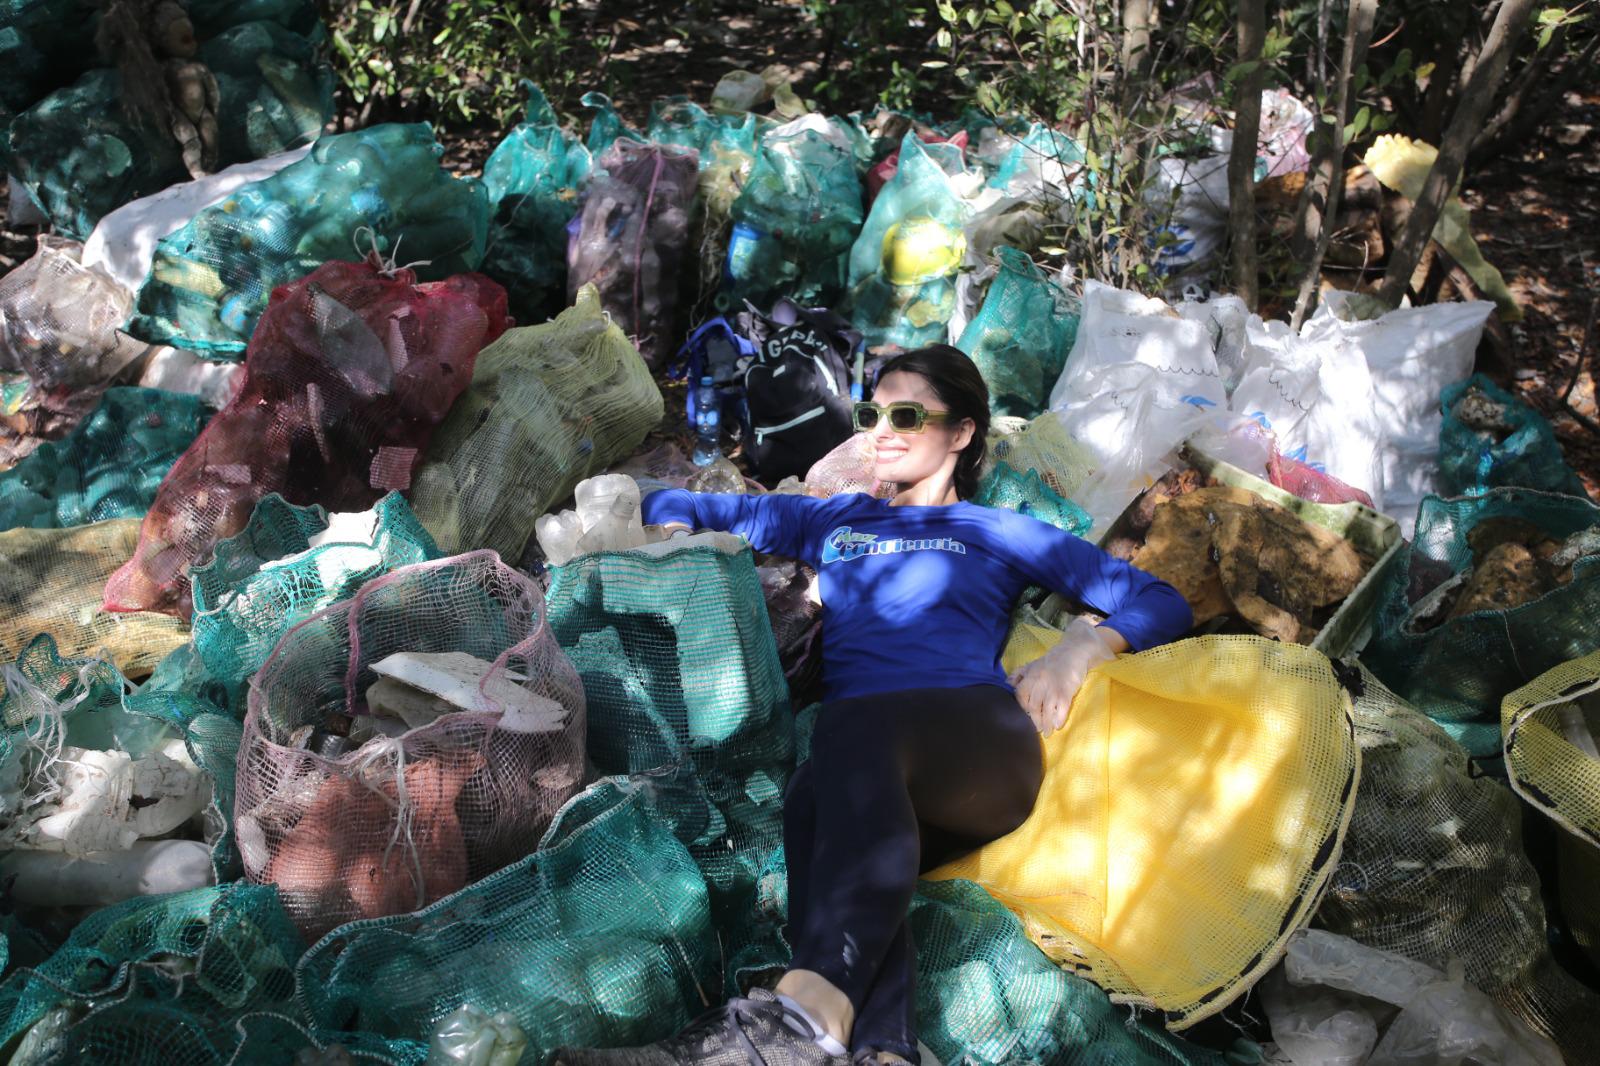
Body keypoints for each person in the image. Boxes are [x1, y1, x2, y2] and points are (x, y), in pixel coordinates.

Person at [554, 345, 1192, 1066]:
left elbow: (1159, 598)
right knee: (809, 796)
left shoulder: (995, 531)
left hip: (975, 747)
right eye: (871, 414)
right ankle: (884, 1050)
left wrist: (1082, 647)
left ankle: (799, 1021)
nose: (880, 430)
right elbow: (704, 507)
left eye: (907, 415)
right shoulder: (838, 521)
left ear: (962, 433)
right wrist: (636, 513)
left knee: (851, 730)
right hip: (871, 768)